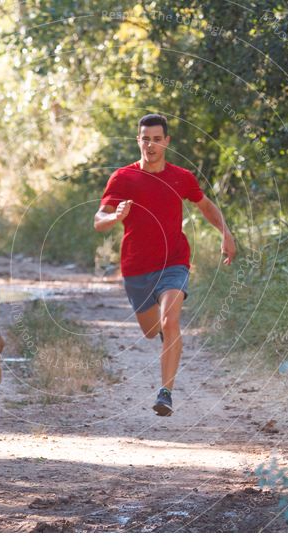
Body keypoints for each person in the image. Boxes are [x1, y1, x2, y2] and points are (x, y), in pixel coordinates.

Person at [94, 113, 237, 416]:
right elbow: (98, 221)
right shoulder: (123, 178)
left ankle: (165, 393)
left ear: (167, 142)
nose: (151, 144)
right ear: (138, 140)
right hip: (136, 267)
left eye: (157, 139)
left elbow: (205, 206)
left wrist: (225, 232)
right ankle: (163, 335)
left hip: (174, 262)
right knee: (151, 331)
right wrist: (115, 217)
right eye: (145, 139)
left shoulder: (181, 177)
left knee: (170, 322)